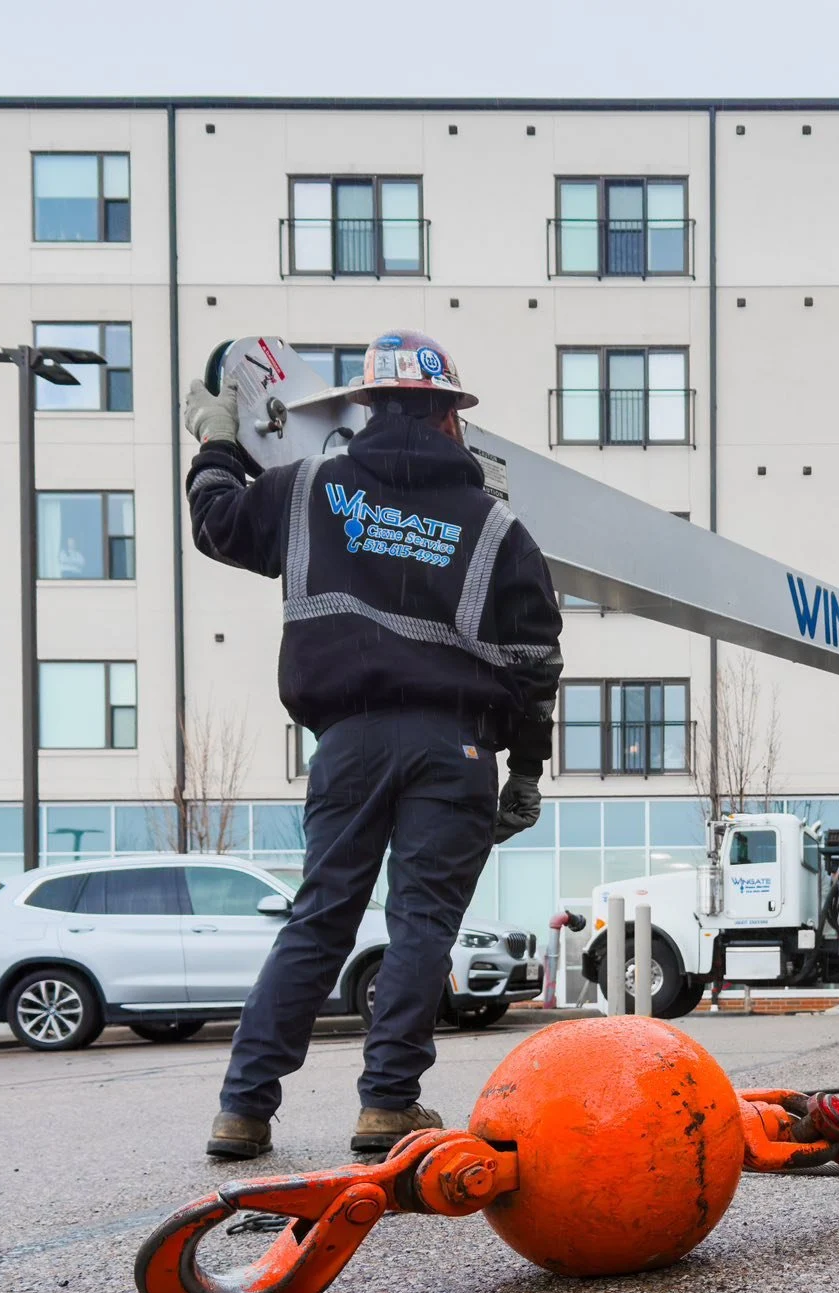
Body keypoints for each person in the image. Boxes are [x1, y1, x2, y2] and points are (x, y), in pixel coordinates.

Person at [180, 330, 563, 1160]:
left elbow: (217, 524)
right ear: (452, 421)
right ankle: (387, 1104)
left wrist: (218, 440)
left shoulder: (309, 486)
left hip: (348, 741)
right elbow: (536, 661)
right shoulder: (495, 526)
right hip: (454, 749)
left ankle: (243, 1109)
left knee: (320, 917)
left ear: (365, 408)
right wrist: (526, 770)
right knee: (421, 922)